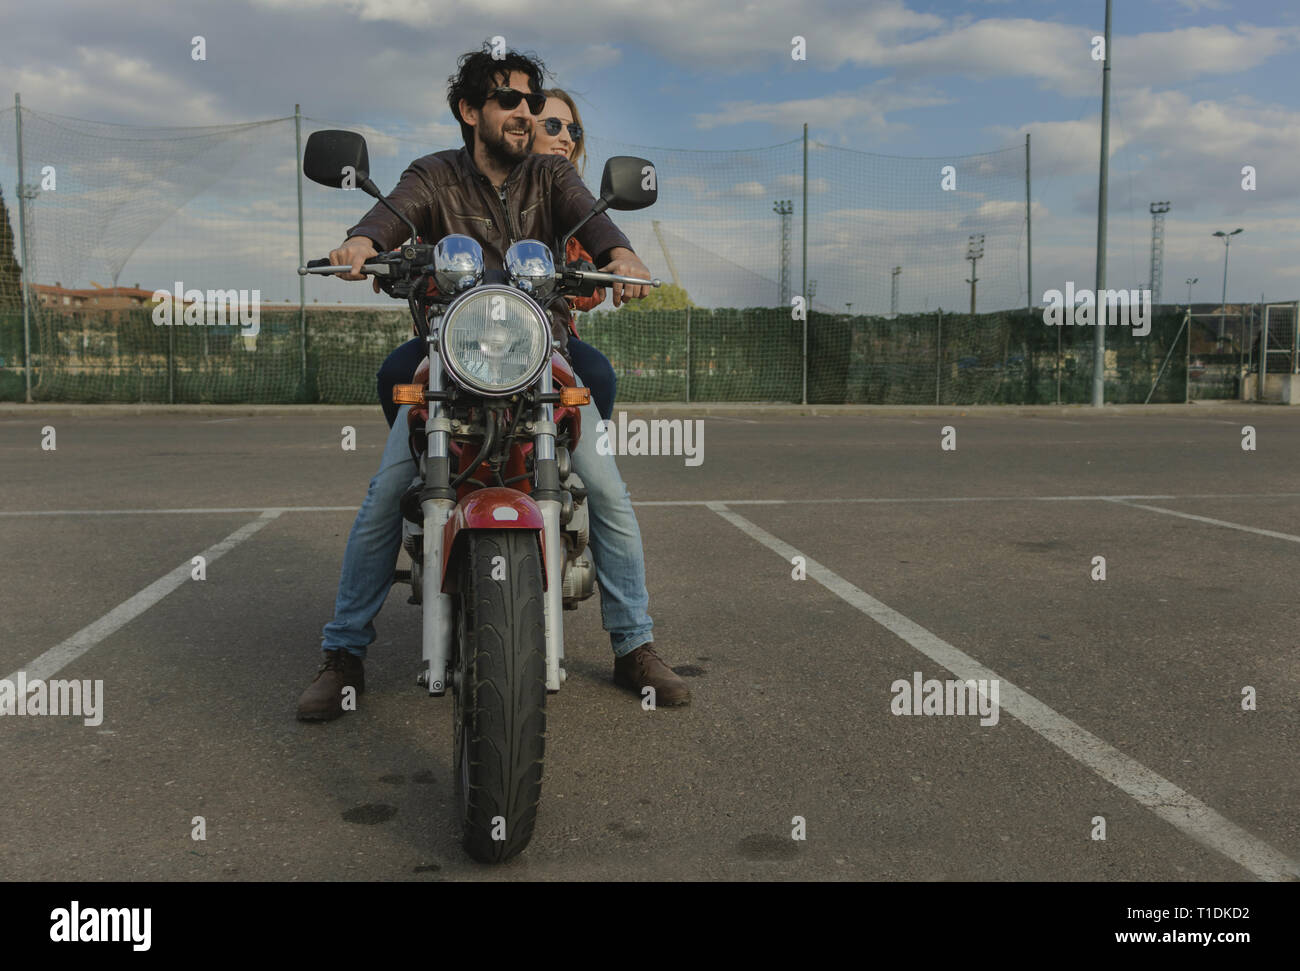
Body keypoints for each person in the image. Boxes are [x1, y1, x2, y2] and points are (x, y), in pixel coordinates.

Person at [297, 45, 690, 721]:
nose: (525, 113)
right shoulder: (433, 175)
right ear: (469, 110)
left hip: (546, 352)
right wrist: (361, 245)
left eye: (532, 102)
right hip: (451, 353)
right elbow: (389, 214)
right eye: (508, 99)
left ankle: (634, 645)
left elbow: (594, 224)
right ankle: (343, 654)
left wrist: (620, 254)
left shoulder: (549, 177)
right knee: (387, 493)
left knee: (606, 487)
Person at [375, 87, 617, 424]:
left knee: (598, 375)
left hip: (544, 335)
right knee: (396, 372)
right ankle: (409, 464)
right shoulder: (447, 177)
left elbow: (597, 265)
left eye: (573, 130)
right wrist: (392, 257)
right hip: (459, 335)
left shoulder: (567, 195)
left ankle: (585, 464)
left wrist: (600, 265)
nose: (565, 138)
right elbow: (405, 224)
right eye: (553, 126)